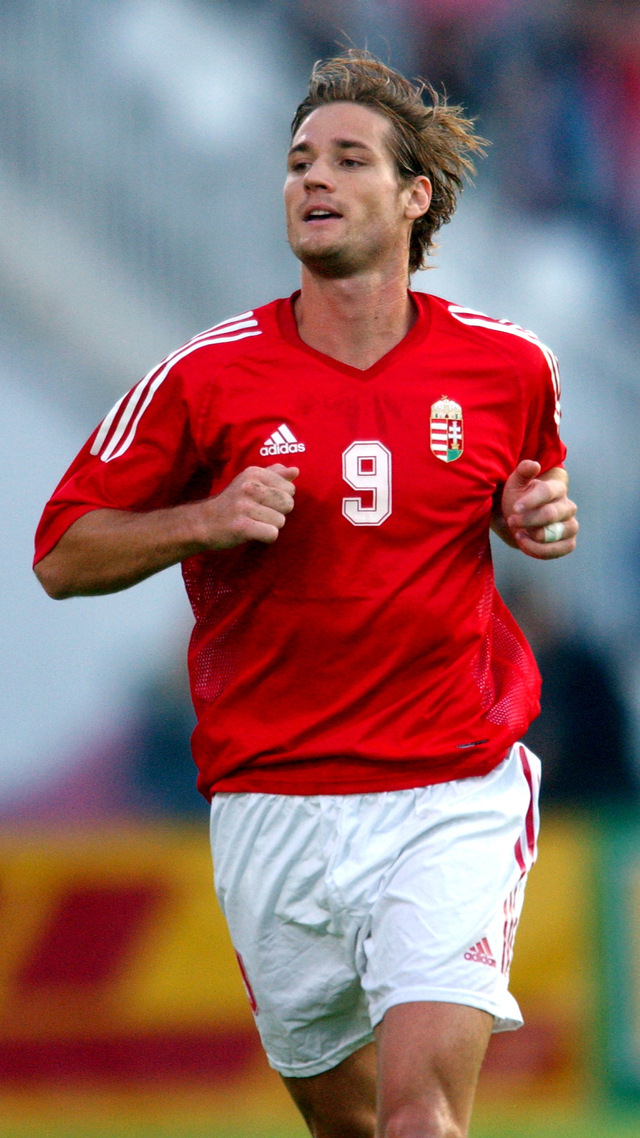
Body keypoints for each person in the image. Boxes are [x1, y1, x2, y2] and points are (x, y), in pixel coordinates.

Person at [34, 52, 578, 1138]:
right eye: (296, 162)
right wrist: (205, 517)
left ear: (413, 196)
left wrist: (542, 523)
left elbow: (536, 499)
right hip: (272, 802)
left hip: (448, 786)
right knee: (350, 1122)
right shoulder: (206, 376)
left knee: (423, 1118)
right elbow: (60, 552)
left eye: (344, 158)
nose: (311, 180)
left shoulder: (508, 368)